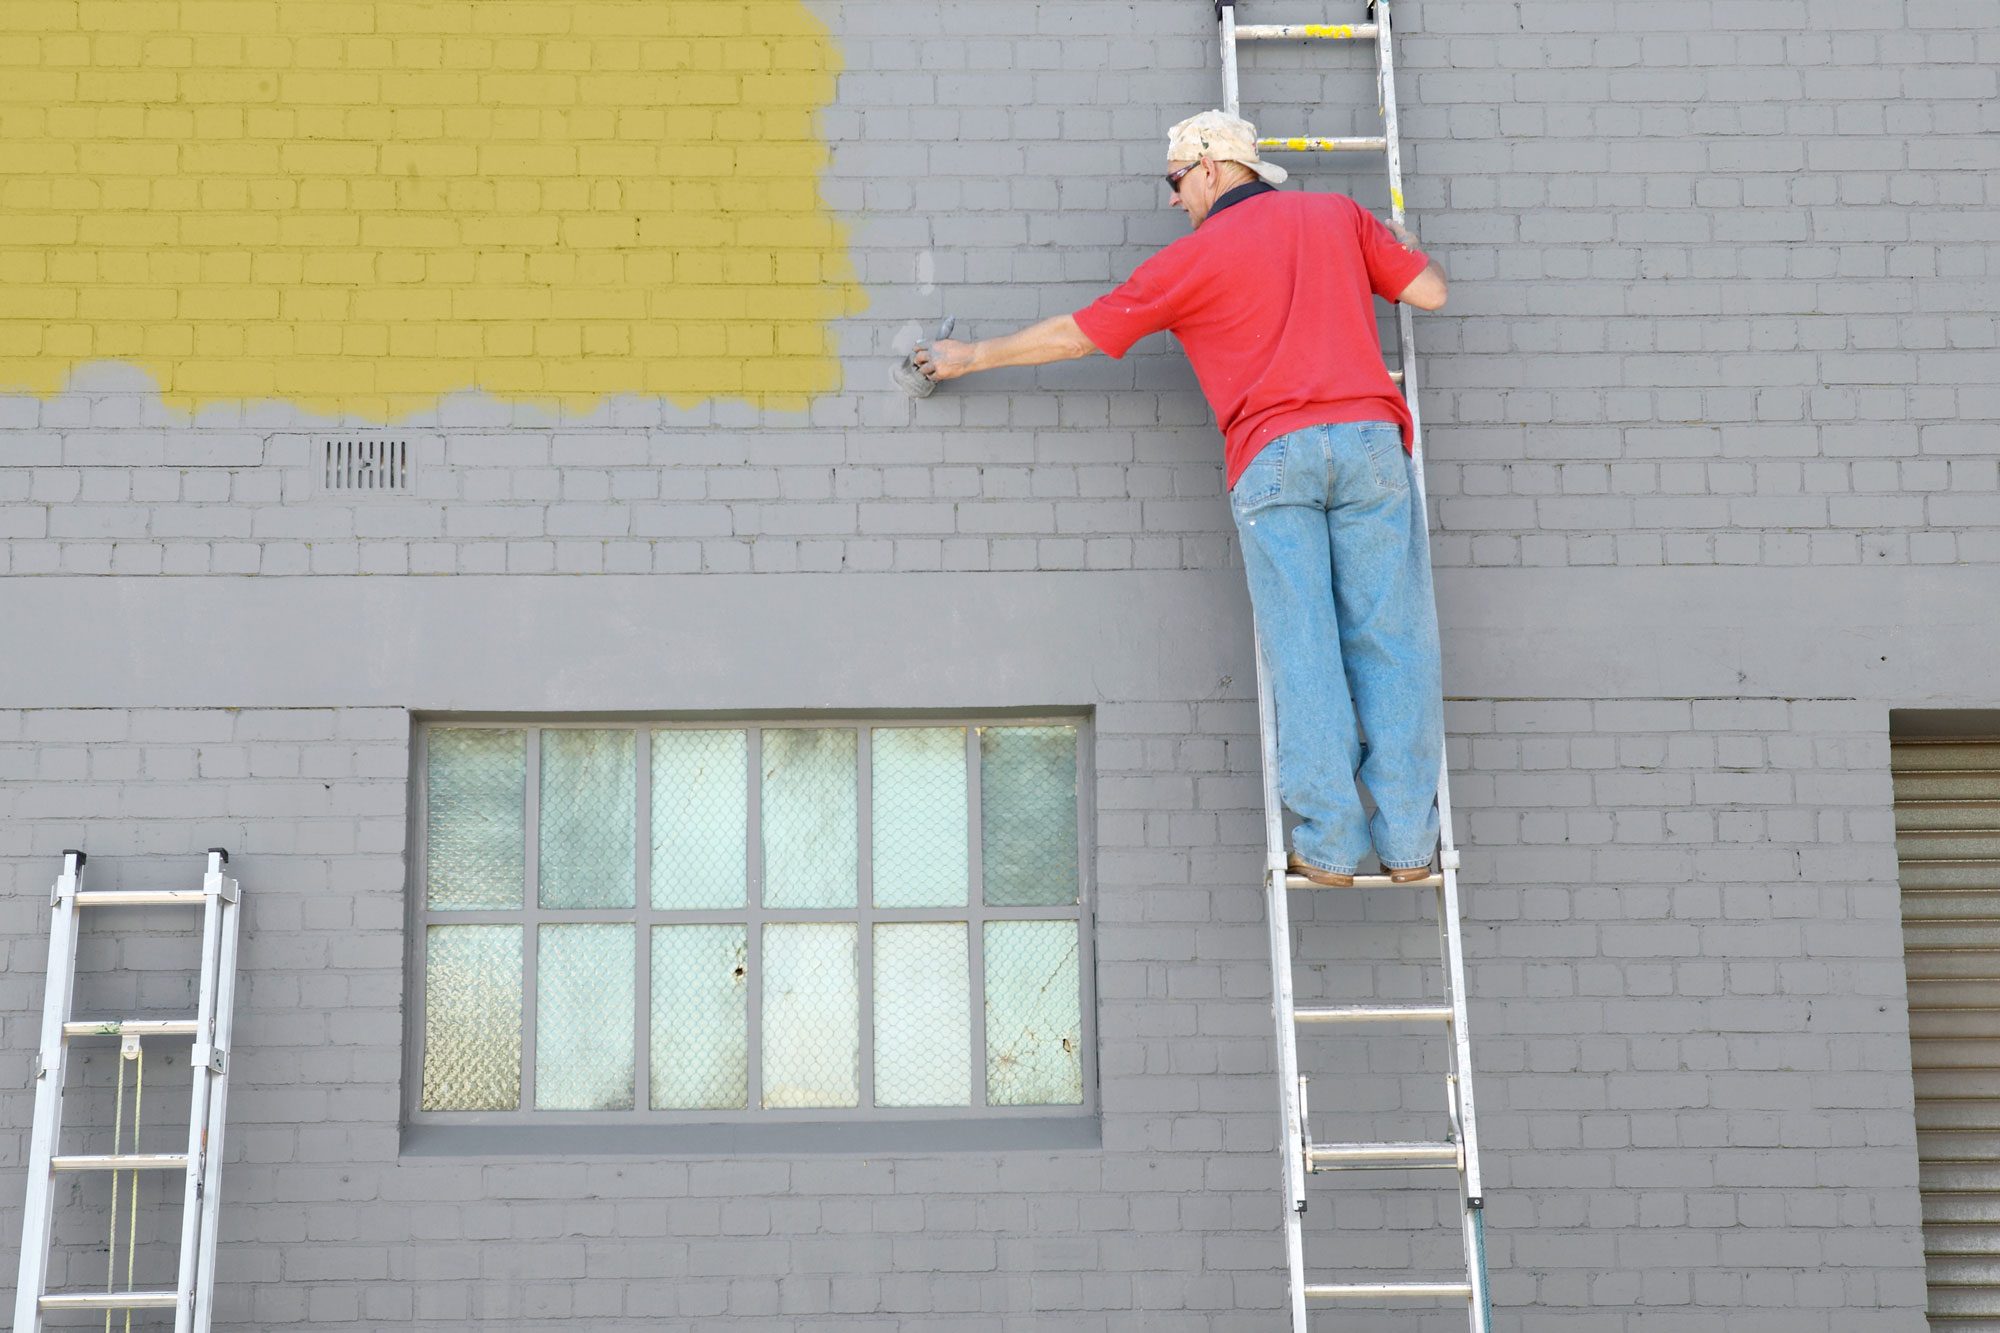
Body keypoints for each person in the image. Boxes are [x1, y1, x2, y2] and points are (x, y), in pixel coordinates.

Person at [914, 109, 1449, 889]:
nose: (1172, 200)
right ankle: (1407, 842)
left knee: (1303, 647)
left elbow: (1076, 335)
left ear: (1208, 169)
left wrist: (971, 357)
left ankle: (1330, 843)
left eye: (1174, 181)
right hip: (1369, 444)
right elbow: (1428, 292)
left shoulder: (1190, 264)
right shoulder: (1338, 216)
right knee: (1393, 641)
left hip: (1270, 457)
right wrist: (1390, 242)